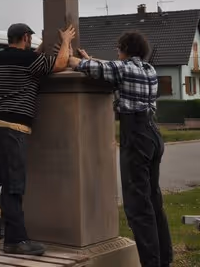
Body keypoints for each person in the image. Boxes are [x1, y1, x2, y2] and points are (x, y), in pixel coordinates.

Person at [0, 22, 75, 256]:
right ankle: (16, 241)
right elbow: (60, 63)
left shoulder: (1, 58)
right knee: (13, 186)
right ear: (26, 37)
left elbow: (30, 59)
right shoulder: (28, 61)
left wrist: (44, 45)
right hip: (13, 129)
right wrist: (65, 41)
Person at [68, 32, 172, 267]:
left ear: (125, 48)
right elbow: (111, 67)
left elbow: (77, 64)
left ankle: (151, 263)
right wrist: (92, 60)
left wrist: (77, 59)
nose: (116, 51)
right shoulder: (149, 70)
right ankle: (164, 259)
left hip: (136, 136)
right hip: (153, 135)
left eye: (118, 48)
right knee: (154, 201)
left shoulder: (122, 69)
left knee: (138, 206)